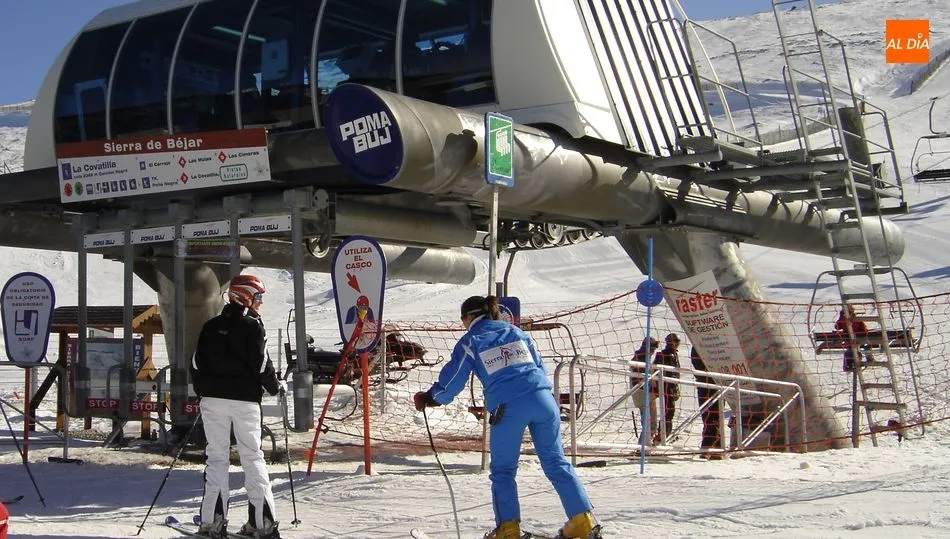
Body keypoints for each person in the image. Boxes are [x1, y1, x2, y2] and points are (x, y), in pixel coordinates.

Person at [413, 295, 601, 539]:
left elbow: (454, 380)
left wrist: (431, 398)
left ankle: (508, 528)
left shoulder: (472, 339)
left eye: (462, 320)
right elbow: (539, 366)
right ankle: (582, 521)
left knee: (503, 471)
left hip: (508, 406)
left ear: (469, 317)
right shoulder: (516, 332)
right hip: (543, 399)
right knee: (556, 462)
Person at [190, 274, 285, 539]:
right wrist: (276, 387)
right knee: (252, 456)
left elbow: (196, 364)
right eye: (259, 297)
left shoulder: (211, 326)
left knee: (217, 457)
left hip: (212, 401)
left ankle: (211, 523)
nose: (261, 303)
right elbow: (262, 364)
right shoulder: (253, 325)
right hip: (244, 402)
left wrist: (205, 392)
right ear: (246, 296)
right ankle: (261, 523)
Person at [690, 347, 723, 458]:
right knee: (711, 417)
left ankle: (716, 448)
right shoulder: (699, 345)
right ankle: (708, 448)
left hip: (715, 383)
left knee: (715, 417)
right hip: (708, 383)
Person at [652, 333, 682, 444]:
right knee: (668, 412)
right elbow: (655, 369)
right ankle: (662, 435)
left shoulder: (674, 354)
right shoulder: (663, 355)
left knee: (670, 412)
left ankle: (665, 434)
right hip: (665, 386)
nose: (677, 344)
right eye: (676, 341)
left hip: (672, 386)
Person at [629, 336, 659, 445]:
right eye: (652, 349)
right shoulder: (640, 359)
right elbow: (639, 380)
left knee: (650, 423)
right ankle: (643, 446)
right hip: (644, 394)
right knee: (649, 423)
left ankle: (645, 444)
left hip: (648, 393)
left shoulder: (643, 359)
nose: (653, 352)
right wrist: (652, 389)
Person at [835, 304, 872, 371]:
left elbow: (837, 327)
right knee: (866, 345)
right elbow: (865, 331)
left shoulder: (844, 320)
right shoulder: (857, 320)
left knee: (850, 348)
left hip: (850, 342)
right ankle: (869, 358)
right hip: (859, 341)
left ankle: (848, 365)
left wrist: (840, 318)